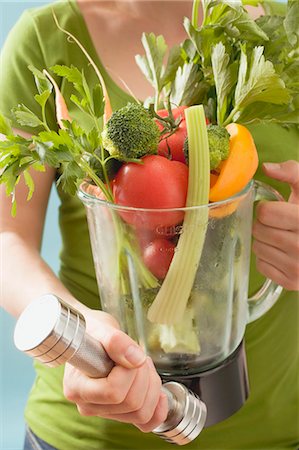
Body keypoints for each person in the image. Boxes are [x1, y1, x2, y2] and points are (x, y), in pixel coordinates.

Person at [0, 1, 298, 449]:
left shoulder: (284, 30)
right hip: (86, 436)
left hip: (276, 430)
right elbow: (7, 239)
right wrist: (80, 336)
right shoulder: (47, 36)